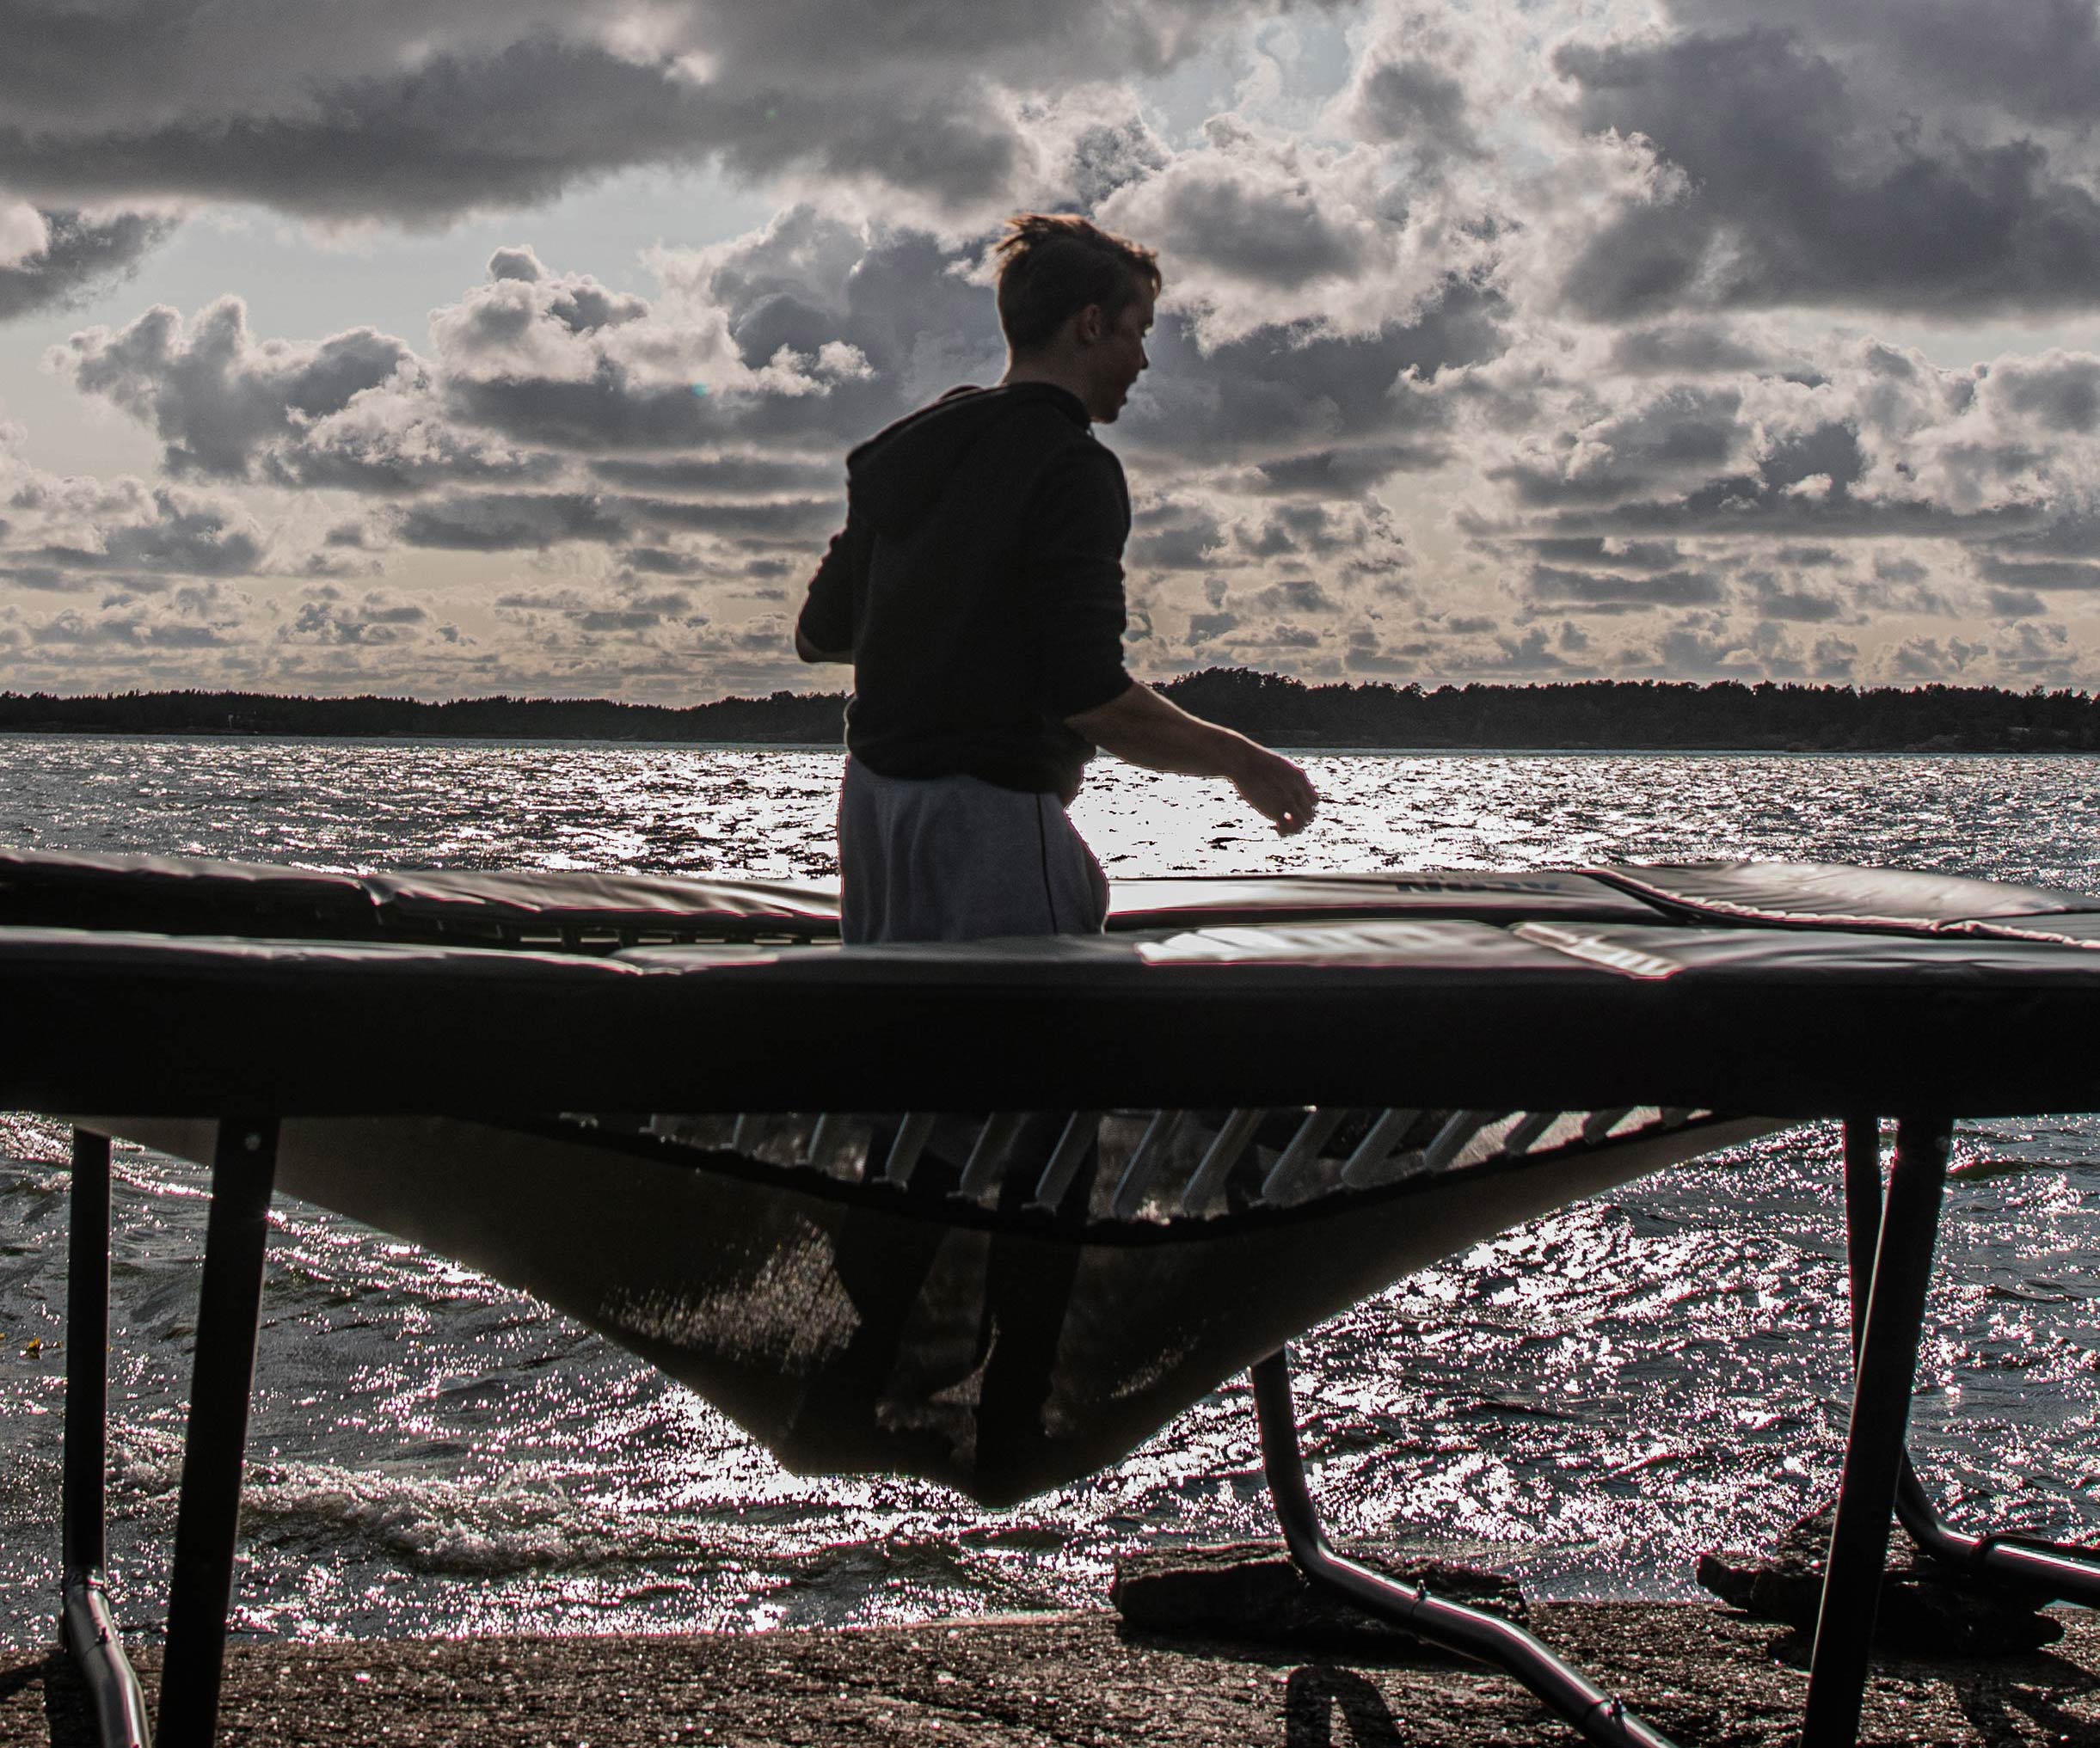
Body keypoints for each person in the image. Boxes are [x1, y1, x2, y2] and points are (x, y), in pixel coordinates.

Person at [795, 212, 1317, 944]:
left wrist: (954, 620)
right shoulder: (1072, 467)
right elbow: (1089, 696)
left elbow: (819, 636)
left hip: (874, 818)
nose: (1142, 361)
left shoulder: (912, 447)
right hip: (988, 822)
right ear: (1092, 324)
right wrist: (1240, 759)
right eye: (1139, 332)